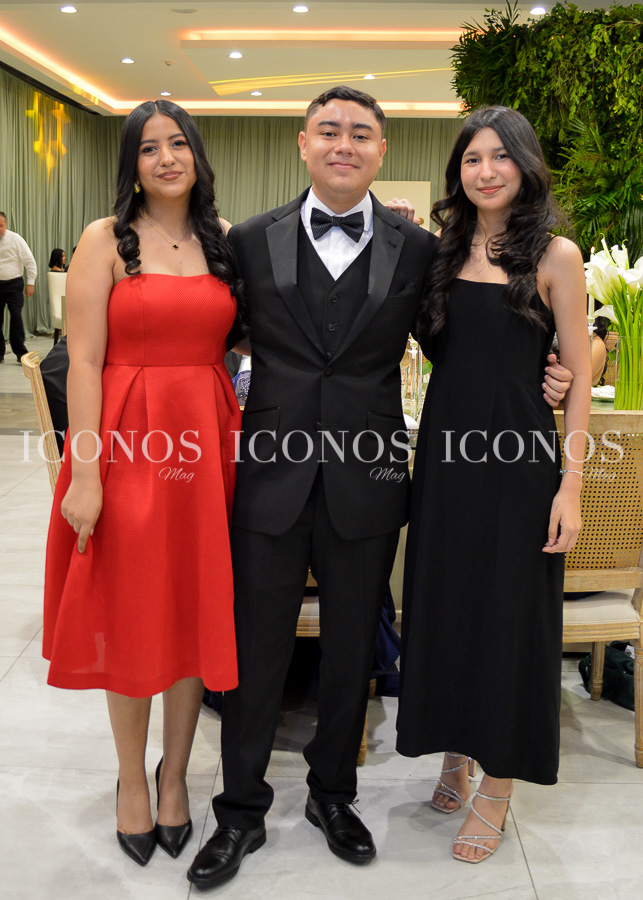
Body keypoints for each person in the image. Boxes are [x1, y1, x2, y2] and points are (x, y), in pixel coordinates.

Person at [187, 86, 573, 891]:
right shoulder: (250, 240)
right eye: (328, 130)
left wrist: (575, 366)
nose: (343, 144)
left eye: (360, 133)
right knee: (255, 651)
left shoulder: (418, 248)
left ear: (380, 151)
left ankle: (333, 795)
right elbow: (210, 335)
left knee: (350, 650)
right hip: (270, 474)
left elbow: (473, 336)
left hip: (369, 476)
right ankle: (240, 809)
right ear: (302, 144)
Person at [43, 99, 244, 867]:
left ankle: (175, 777)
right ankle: (132, 776)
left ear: (197, 154)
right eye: (149, 147)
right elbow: (84, 362)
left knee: (191, 608)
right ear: (131, 163)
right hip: (127, 438)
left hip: (206, 441)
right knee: (129, 612)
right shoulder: (104, 239)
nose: (166, 158)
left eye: (177, 143)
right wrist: (84, 470)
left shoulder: (224, 240)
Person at [395, 106, 591, 864]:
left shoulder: (555, 254)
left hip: (519, 461)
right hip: (446, 457)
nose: (485, 171)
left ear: (524, 165)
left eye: (500, 157)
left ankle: (499, 783)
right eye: (472, 158)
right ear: (458, 171)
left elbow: (577, 375)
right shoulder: (440, 251)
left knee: (509, 616)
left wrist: (570, 486)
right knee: (446, 603)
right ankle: (454, 748)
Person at [0, 211, 36, 363]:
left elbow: (29, 261)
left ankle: (20, 352)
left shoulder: (15, 239)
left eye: (1, 226)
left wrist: (30, 282)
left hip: (14, 284)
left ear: (6, 225)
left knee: (16, 317)